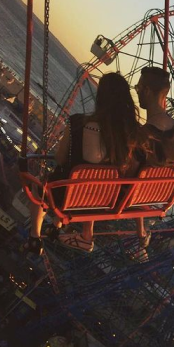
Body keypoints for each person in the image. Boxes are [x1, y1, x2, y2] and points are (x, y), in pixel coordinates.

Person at [24, 72, 140, 254]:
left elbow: (60, 158)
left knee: (40, 183)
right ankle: (58, 225)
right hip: (101, 201)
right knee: (92, 183)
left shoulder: (78, 122)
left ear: (100, 96)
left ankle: (34, 237)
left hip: (68, 196)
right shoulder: (128, 136)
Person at [134, 66, 174, 246]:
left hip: (132, 197)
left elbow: (130, 176)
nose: (137, 92)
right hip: (154, 198)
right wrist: (160, 191)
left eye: (138, 88)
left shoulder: (141, 136)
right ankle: (141, 232)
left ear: (147, 91)